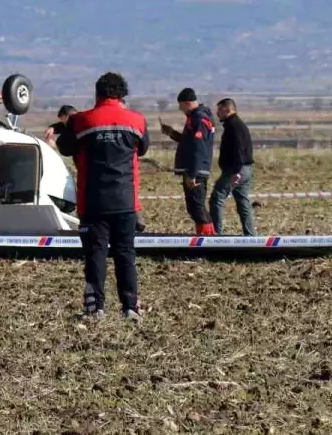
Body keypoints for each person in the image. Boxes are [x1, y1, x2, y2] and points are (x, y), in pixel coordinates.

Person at [56, 72, 149, 320]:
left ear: (97, 94)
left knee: (95, 254)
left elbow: (65, 148)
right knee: (125, 253)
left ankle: (95, 307)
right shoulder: (138, 121)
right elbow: (143, 148)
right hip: (126, 201)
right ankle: (130, 307)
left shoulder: (80, 121)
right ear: (122, 95)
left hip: (93, 201)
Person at [159, 88, 215, 235]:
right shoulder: (194, 118)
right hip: (194, 169)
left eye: (181, 106)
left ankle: (208, 238)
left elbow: (198, 147)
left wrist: (193, 174)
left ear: (187, 103)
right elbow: (188, 143)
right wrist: (172, 133)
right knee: (194, 207)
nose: (180, 109)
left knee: (197, 206)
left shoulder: (199, 119)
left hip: (196, 170)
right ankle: (204, 236)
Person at [210, 97, 255, 235]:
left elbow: (238, 149)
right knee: (243, 202)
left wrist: (236, 171)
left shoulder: (234, 126)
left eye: (219, 110)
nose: (217, 114)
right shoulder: (236, 125)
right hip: (245, 169)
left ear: (228, 109)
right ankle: (250, 235)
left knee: (217, 198)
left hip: (236, 170)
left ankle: (216, 235)